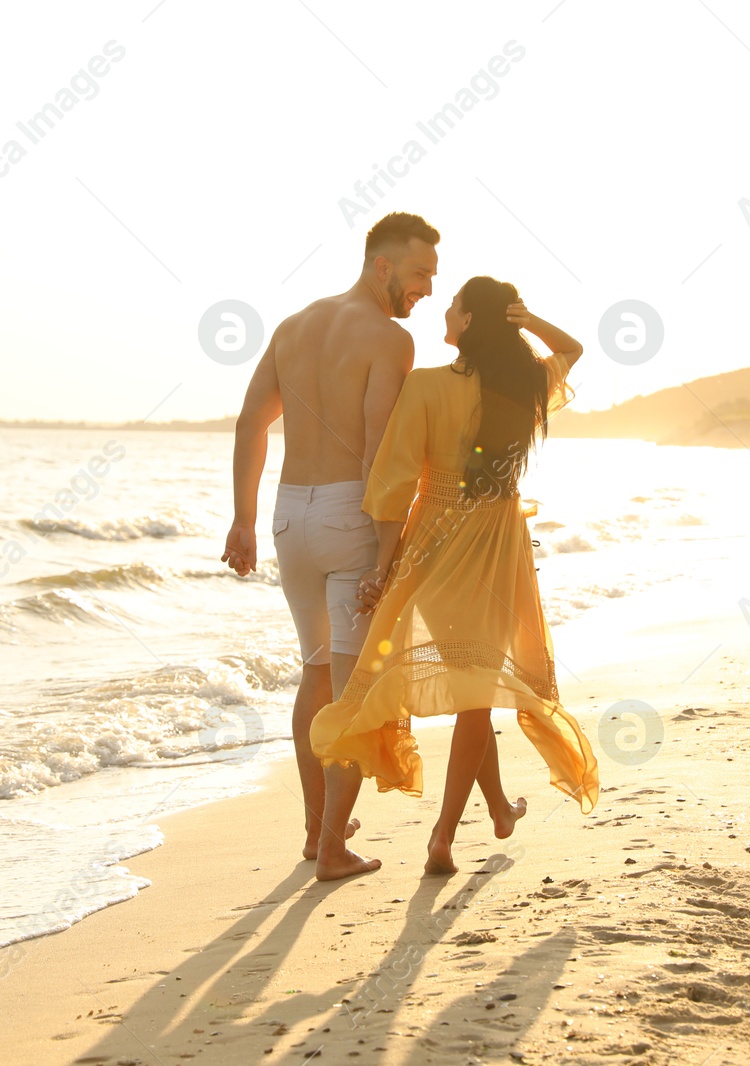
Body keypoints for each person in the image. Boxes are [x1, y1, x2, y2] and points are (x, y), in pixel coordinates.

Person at [309, 276, 600, 879]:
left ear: (466, 322)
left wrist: (383, 567)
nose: (445, 309)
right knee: (475, 687)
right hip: (497, 544)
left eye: (455, 305)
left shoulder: (425, 385)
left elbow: (392, 484)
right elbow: (572, 351)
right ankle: (460, 827)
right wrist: (529, 320)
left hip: (437, 543)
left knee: (471, 682)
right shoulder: (522, 384)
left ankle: (474, 818)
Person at [221, 212, 440, 872]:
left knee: (314, 675)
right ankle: (334, 848)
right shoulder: (388, 339)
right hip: (350, 513)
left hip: (291, 517)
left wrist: (242, 519)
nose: (427, 289)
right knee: (351, 691)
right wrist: (387, 548)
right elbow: (378, 450)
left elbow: (250, 423)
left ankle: (317, 832)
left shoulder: (292, 328)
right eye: (420, 273)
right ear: (383, 267)